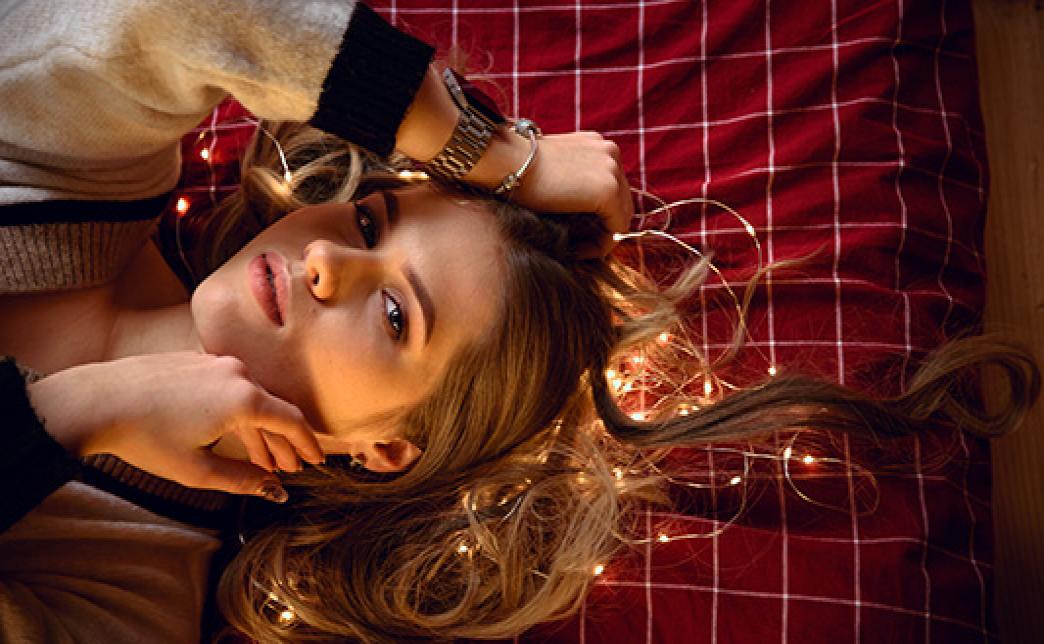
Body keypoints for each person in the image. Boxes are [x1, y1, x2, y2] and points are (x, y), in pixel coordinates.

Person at [0, 1, 1038, 642]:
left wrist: (69, 420)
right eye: (370, 222)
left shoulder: (127, 587)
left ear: (382, 448)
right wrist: (497, 157)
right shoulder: (82, 162)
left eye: (396, 313)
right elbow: (171, 13)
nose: (324, 261)